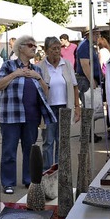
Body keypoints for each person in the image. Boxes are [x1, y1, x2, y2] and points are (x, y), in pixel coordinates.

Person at [0, 35, 55, 194]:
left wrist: (39, 78)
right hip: (11, 116)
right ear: (20, 47)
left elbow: (47, 91)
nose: (34, 48)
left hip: (31, 116)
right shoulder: (8, 65)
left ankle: (29, 180)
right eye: (30, 45)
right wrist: (16, 74)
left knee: (30, 150)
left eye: (35, 46)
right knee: (9, 150)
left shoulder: (36, 69)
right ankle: (8, 182)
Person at [38, 36, 81, 171]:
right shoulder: (40, 67)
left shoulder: (66, 64)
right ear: (46, 51)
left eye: (58, 48)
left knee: (62, 140)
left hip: (64, 107)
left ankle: (59, 169)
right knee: (48, 141)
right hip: (48, 108)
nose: (57, 51)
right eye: (54, 49)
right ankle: (47, 170)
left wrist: (77, 106)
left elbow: (74, 86)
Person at [76, 28, 102, 104]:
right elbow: (85, 65)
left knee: (92, 105)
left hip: (88, 79)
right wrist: (92, 80)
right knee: (88, 106)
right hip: (85, 80)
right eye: (96, 34)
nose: (98, 36)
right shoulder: (84, 46)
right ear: (89, 35)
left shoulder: (89, 45)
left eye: (98, 34)